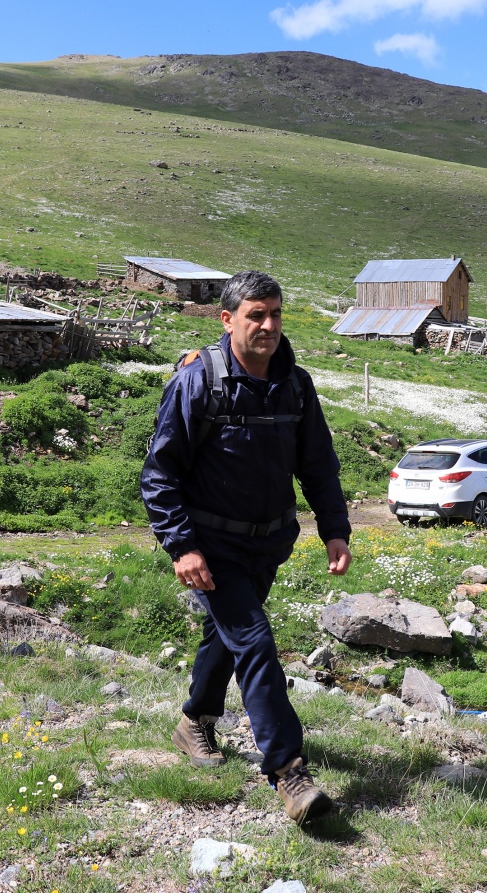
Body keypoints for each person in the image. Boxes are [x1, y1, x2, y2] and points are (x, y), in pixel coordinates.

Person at [141, 270, 352, 826]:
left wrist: (336, 529)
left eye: (275, 314)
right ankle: (289, 773)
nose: (267, 325)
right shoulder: (197, 383)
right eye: (255, 315)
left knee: (228, 634)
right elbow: (160, 475)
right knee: (255, 642)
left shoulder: (296, 385)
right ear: (227, 319)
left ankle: (195, 720)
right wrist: (182, 546)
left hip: (269, 544)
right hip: (211, 547)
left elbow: (318, 464)